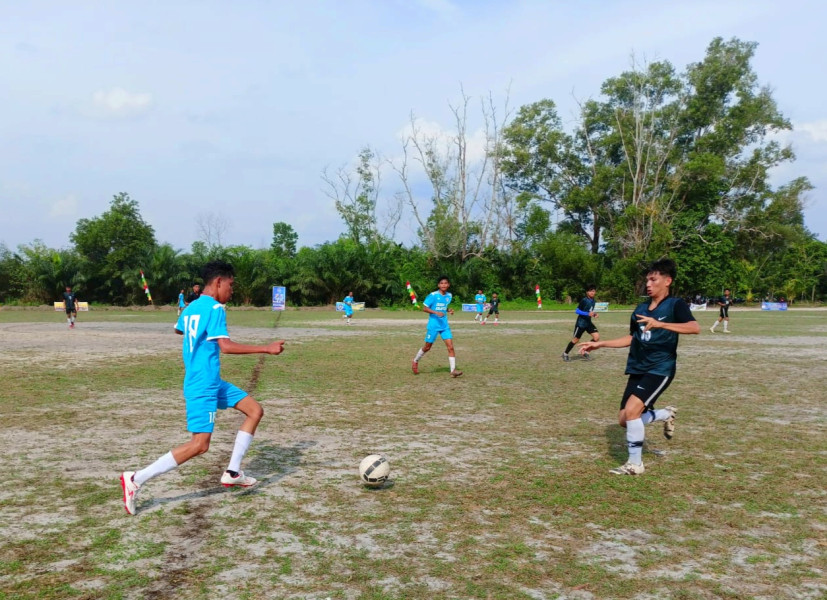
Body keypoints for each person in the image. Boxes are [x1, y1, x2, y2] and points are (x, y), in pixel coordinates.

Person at [120, 260, 285, 515]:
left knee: (254, 410)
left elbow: (179, 329)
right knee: (200, 444)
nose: (232, 291)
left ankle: (233, 472)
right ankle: (136, 479)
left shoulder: (193, 306)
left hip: (213, 381)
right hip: (203, 384)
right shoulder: (216, 308)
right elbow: (226, 346)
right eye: (230, 285)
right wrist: (267, 348)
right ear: (218, 282)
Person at [578, 258, 699, 475]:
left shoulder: (675, 305)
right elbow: (633, 338)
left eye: (654, 279)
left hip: (660, 368)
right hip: (638, 367)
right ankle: (664, 414)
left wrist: (662, 324)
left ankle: (635, 464)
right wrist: (600, 344)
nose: (648, 284)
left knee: (633, 411)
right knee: (625, 420)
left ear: (668, 281)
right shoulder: (641, 309)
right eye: (647, 280)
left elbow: (693, 327)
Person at [411, 276, 462, 378]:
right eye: (441, 283)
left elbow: (443, 306)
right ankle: (415, 361)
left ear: (448, 285)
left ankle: (453, 370)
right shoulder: (433, 295)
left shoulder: (449, 296)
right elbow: (425, 308)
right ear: (438, 285)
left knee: (450, 347)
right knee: (427, 347)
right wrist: (435, 312)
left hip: (444, 326)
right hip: (433, 325)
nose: (443, 285)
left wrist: (448, 310)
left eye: (445, 283)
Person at [562, 284, 599, 361]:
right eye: (590, 291)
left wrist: (594, 314)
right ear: (587, 292)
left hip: (588, 323)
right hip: (581, 323)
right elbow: (577, 311)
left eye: (593, 291)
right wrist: (587, 314)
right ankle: (565, 353)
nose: (592, 292)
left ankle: (585, 351)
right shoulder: (584, 300)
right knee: (575, 340)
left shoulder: (594, 301)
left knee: (596, 337)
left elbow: (590, 311)